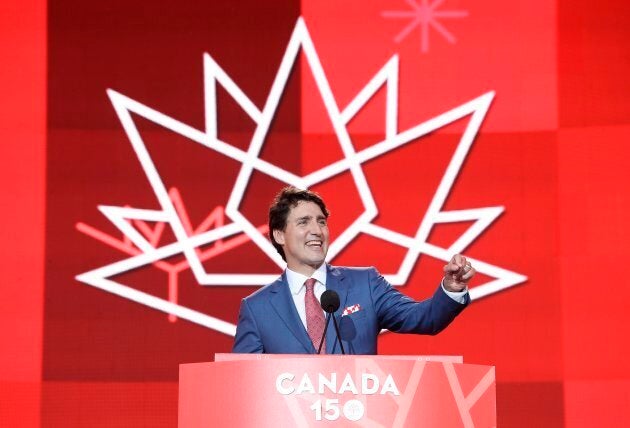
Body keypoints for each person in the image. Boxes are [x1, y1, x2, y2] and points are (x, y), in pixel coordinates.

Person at [232, 187, 474, 354]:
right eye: (304, 222)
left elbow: (424, 318)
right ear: (279, 235)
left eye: (321, 221)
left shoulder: (366, 284)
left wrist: (452, 289)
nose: (317, 230)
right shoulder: (257, 308)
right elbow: (242, 381)